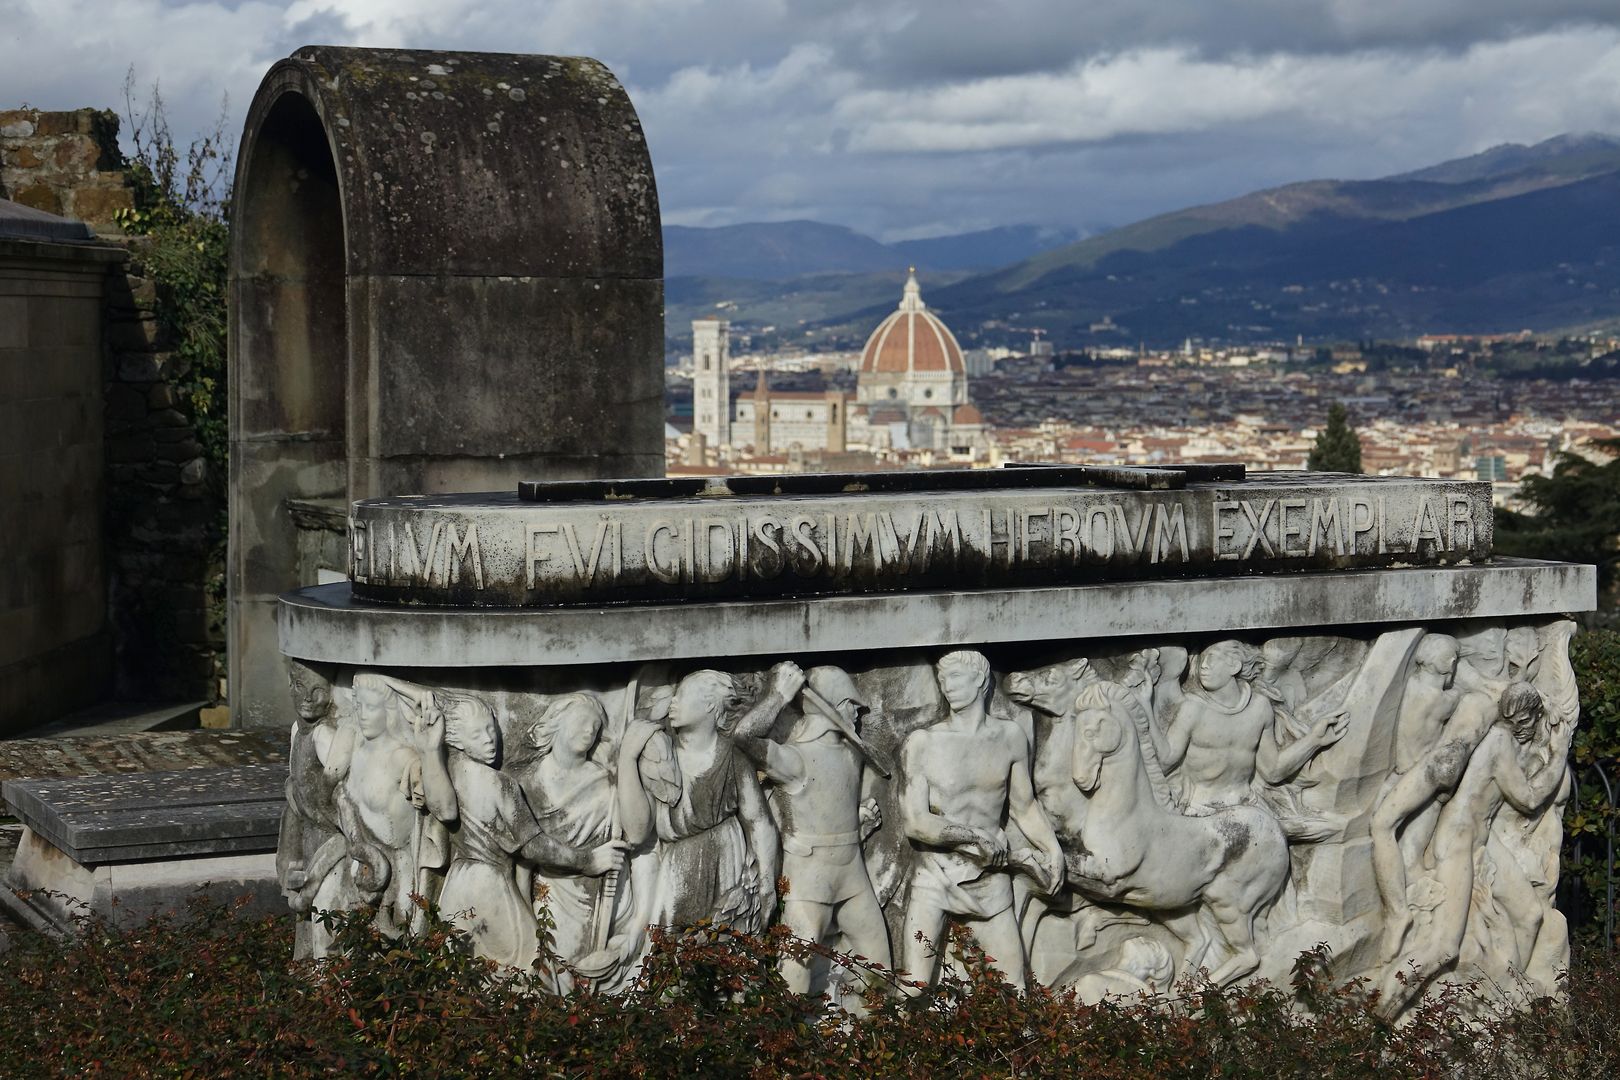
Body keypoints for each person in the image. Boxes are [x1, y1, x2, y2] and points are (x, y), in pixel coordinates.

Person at [1379, 682, 1569, 1015]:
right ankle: (1382, 1011)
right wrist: (1561, 751)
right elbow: (1529, 798)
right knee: (1443, 947)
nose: (1530, 729)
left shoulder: (1504, 739)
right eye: (1529, 721)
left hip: (1482, 840)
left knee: (1530, 915)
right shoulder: (1498, 741)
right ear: (1519, 718)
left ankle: (1503, 1002)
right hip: (1459, 840)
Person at [899, 650, 1063, 989]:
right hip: (936, 877)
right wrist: (973, 835)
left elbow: (1025, 806)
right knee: (913, 989)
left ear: (980, 679)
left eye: (955, 677)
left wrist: (1052, 850)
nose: (947, 687)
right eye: (942, 680)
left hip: (991, 878)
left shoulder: (1010, 736)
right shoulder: (924, 742)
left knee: (1014, 989)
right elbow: (916, 822)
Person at [731, 663, 892, 1004]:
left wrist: (857, 823)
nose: (856, 714)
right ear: (831, 705)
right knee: (795, 976)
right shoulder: (796, 759)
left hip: (852, 877)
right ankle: (787, 1051)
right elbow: (744, 737)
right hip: (808, 881)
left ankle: (874, 1046)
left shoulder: (852, 755)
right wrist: (778, 695)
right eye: (851, 704)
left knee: (879, 972)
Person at [432, 691, 625, 973]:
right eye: (478, 733)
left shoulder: (450, 771)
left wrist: (427, 752)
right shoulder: (501, 784)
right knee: (528, 969)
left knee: (462, 970)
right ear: (458, 740)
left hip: (456, 885)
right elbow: (533, 846)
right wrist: (588, 861)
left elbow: (444, 810)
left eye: (491, 729)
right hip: (490, 887)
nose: (489, 738)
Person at [619, 668, 783, 933]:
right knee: (670, 953)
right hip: (676, 868)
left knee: (727, 949)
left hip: (727, 860)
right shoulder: (657, 756)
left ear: (709, 704)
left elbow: (759, 822)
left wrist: (766, 884)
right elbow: (637, 833)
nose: (673, 702)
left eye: (681, 695)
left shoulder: (731, 758)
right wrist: (627, 758)